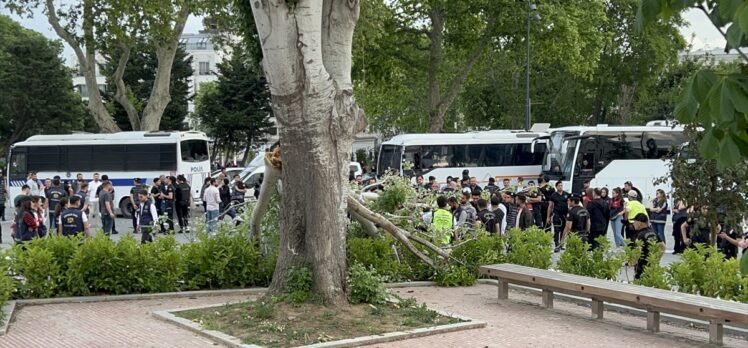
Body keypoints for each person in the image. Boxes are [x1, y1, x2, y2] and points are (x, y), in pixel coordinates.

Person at [632, 213, 664, 279]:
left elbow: (638, 251)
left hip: (641, 266)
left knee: (638, 286)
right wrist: (656, 259)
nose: (633, 224)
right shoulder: (653, 232)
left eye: (634, 222)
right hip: (652, 265)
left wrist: (632, 262)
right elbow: (663, 247)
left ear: (640, 223)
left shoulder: (640, 235)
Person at [547, 181, 570, 250]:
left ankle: (561, 244)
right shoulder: (553, 195)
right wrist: (548, 217)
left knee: (564, 230)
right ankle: (556, 244)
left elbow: (569, 205)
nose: (561, 187)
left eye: (561, 185)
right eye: (559, 185)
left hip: (565, 215)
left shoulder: (566, 194)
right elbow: (550, 206)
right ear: (556, 187)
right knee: (557, 230)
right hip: (557, 214)